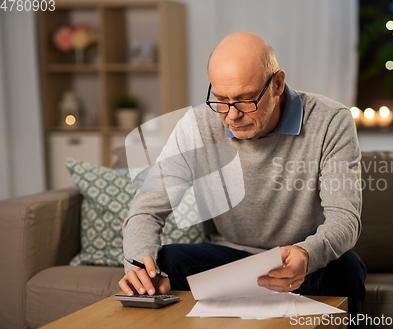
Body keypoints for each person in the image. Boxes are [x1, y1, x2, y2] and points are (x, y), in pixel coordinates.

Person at [119, 32, 366, 326]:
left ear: (277, 84)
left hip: (301, 262)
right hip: (230, 260)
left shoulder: (331, 121)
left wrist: (307, 253)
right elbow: (148, 207)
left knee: (346, 268)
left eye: (245, 100)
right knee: (165, 261)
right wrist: (138, 264)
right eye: (221, 100)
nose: (231, 116)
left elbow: (345, 218)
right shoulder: (197, 125)